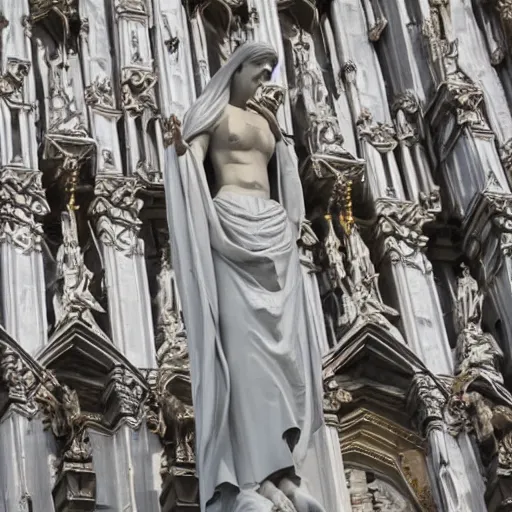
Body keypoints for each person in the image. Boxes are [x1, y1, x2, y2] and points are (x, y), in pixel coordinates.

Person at [164, 41, 326, 512]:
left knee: (283, 361)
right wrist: (179, 149)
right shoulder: (211, 114)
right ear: (236, 69)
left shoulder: (268, 122)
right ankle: (250, 479)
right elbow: (189, 163)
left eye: (270, 72)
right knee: (244, 358)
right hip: (230, 228)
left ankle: (283, 474)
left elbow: (284, 173)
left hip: (273, 233)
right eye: (260, 70)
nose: (265, 80)